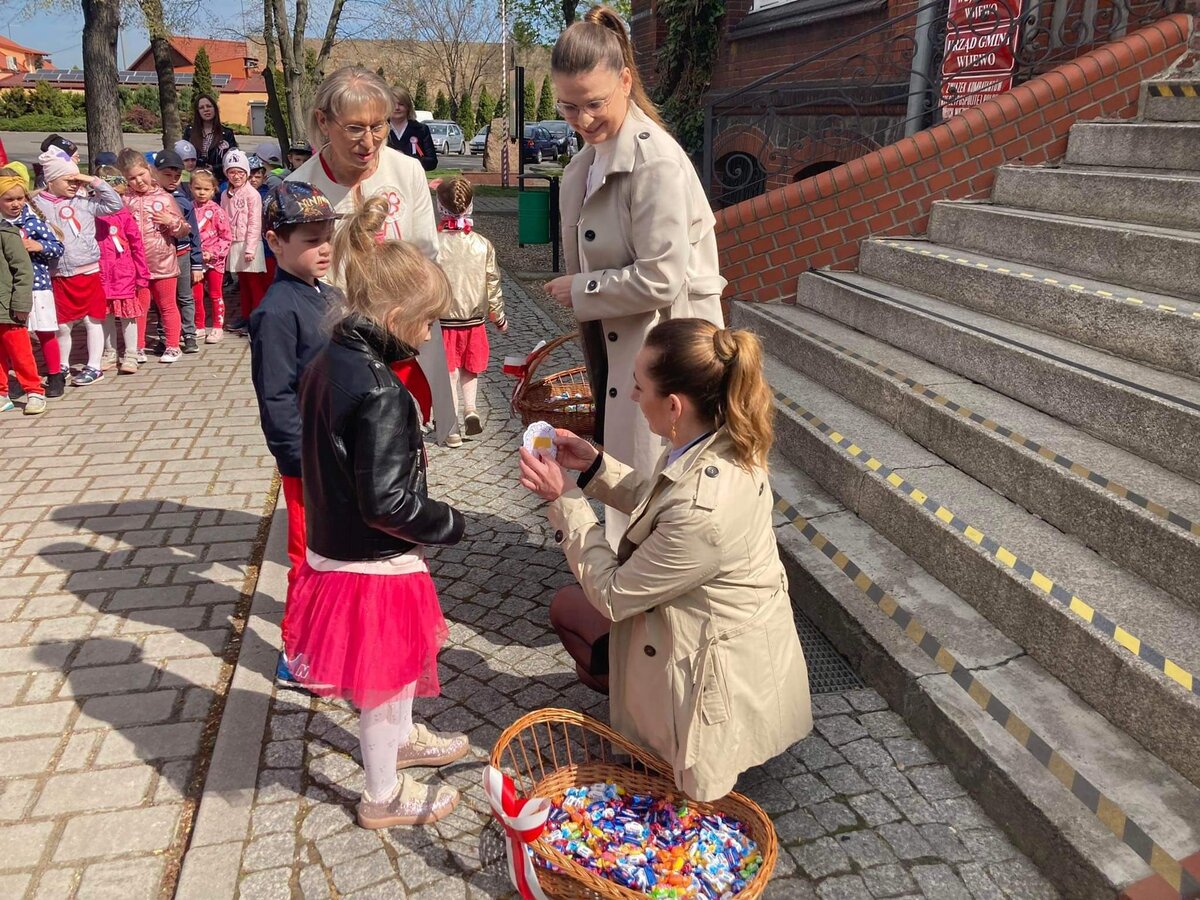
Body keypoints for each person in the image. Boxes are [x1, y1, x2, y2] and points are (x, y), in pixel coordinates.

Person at [519, 318, 812, 801]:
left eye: (639, 387)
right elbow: (658, 501)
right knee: (569, 609)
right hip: (696, 626)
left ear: (673, 405)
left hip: (711, 668)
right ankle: (641, 711)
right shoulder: (714, 437)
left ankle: (669, 752)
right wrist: (592, 465)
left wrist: (564, 500)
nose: (632, 396)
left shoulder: (706, 507)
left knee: (580, 609)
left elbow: (614, 594)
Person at [289, 195, 468, 829]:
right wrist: (448, 521)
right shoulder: (383, 391)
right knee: (387, 682)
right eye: (427, 324)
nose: (428, 336)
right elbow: (389, 502)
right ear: (395, 316)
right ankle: (383, 794)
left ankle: (400, 740)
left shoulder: (330, 360)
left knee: (387, 681)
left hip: (334, 545)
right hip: (374, 564)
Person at [543, 6, 726, 546]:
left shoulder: (655, 163)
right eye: (568, 106)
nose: (582, 119)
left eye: (595, 103)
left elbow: (663, 278)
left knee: (654, 482)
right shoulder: (594, 156)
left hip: (669, 350)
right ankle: (628, 594)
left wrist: (580, 290)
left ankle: (636, 599)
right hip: (625, 343)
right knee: (630, 476)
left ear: (625, 80)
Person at [288, 67, 457, 446]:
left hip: (407, 336)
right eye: (354, 129)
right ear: (323, 121)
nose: (369, 142)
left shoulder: (407, 171)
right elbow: (302, 284)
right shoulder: (299, 188)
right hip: (342, 348)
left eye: (378, 126)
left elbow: (426, 254)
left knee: (408, 446)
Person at [249, 181, 342, 686]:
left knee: (333, 553)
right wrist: (297, 461)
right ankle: (297, 654)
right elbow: (276, 397)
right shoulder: (276, 312)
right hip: (308, 460)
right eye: (309, 239)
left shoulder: (327, 294)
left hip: (339, 452)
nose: (323, 247)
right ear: (275, 242)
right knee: (308, 557)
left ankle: (330, 636)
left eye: (326, 236)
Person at [34, 150, 124, 385]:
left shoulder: (85, 202)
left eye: (76, 180)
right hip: (58, 272)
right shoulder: (37, 204)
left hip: (87, 270)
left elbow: (115, 204)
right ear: (50, 180)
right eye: (68, 180)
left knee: (93, 319)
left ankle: (94, 366)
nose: (74, 185)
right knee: (62, 324)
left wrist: (92, 180)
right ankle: (62, 364)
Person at [434, 177, 506, 447]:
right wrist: (498, 315)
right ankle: (471, 409)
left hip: (443, 321)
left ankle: (451, 426)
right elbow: (493, 281)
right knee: (470, 370)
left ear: (440, 207)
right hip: (474, 321)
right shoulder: (483, 244)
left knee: (449, 373)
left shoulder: (432, 244)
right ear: (470, 205)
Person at [117, 148, 189, 364]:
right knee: (140, 308)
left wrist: (172, 222)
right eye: (132, 178)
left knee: (167, 305)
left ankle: (173, 345)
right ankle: (137, 347)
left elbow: (185, 229)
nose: (138, 181)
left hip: (163, 261)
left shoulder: (165, 198)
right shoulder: (124, 200)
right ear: (125, 179)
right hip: (136, 265)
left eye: (141, 174)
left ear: (149, 170)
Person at [0, 167, 65, 396]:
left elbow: (58, 247)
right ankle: (16, 379)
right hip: (8, 290)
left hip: (37, 286)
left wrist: (38, 246)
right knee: (13, 336)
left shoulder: (33, 221)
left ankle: (56, 375)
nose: (15, 204)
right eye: (8, 200)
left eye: (19, 198)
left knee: (45, 331)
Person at [94, 165, 149, 375]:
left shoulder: (124, 214)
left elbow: (137, 245)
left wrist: (142, 273)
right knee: (105, 314)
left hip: (123, 272)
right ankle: (109, 351)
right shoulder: (93, 213)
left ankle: (132, 353)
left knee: (128, 314)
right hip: (101, 272)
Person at [154, 149, 203, 353]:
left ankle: (189, 334)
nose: (173, 180)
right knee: (162, 300)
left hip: (182, 255)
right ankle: (165, 335)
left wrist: (197, 263)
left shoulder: (182, 200)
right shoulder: (149, 199)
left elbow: (194, 235)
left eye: (177, 176)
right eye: (168, 175)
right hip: (158, 257)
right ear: (155, 173)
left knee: (184, 296)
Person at [0, 194, 43, 414]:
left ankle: (34, 391)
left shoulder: (7, 233)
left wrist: (21, 303)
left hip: (8, 305)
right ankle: (2, 394)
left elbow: (23, 271)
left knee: (20, 352)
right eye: (9, 199)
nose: (14, 204)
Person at [222, 150, 267, 323]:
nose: (236, 176)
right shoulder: (226, 194)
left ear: (246, 173)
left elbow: (255, 222)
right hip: (234, 242)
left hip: (250, 244)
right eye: (232, 172)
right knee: (243, 283)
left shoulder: (252, 195)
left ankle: (257, 318)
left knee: (254, 283)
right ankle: (246, 315)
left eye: (240, 172)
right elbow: (224, 219)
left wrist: (250, 248)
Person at [189, 169, 231, 344]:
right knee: (196, 295)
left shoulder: (217, 211)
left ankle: (217, 326)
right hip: (195, 261)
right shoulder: (188, 208)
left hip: (215, 261)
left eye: (206, 189)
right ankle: (198, 325)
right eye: (197, 188)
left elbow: (226, 236)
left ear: (213, 190)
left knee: (215, 293)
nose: (201, 192)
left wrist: (212, 253)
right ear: (191, 187)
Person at [183, 93, 239, 182]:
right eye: (201, 108)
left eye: (209, 106)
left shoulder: (227, 133)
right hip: (194, 178)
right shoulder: (190, 131)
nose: (206, 110)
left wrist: (214, 168)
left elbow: (233, 159)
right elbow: (183, 155)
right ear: (197, 112)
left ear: (215, 109)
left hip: (219, 180)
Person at [386, 86, 437, 172]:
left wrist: (408, 158)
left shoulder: (421, 130)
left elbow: (432, 162)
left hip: (413, 178)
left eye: (401, 104)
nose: (397, 108)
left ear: (408, 107)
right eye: (393, 104)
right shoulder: (379, 129)